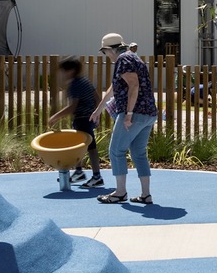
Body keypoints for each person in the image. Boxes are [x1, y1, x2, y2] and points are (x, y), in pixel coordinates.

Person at [95, 32, 157, 206]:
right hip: (148, 114)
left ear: (109, 49)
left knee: (116, 151)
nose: (105, 56)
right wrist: (98, 110)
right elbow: (114, 88)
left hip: (134, 114)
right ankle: (146, 195)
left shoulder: (122, 60)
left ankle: (120, 192)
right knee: (138, 153)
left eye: (104, 52)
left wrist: (128, 114)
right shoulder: (133, 58)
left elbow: (134, 85)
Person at [46, 55, 105, 188]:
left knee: (90, 147)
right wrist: (97, 115)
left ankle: (96, 176)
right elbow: (97, 98)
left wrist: (55, 116)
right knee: (81, 145)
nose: (62, 75)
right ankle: (79, 172)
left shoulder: (75, 85)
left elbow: (73, 106)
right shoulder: (85, 81)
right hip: (88, 118)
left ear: (71, 70)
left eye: (64, 71)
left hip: (82, 119)